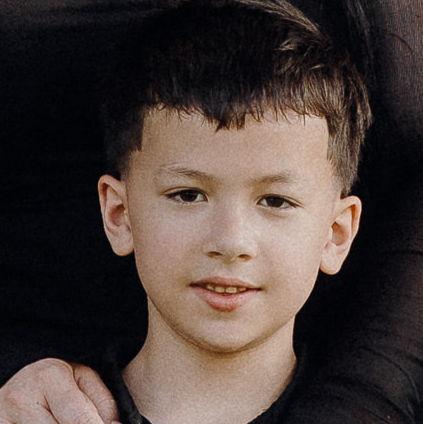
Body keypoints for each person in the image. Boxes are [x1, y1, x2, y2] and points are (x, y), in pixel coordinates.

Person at [1, 0, 422, 423]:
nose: (231, 242)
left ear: (336, 233)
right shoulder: (35, 411)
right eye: (188, 195)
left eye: (275, 201)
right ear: (119, 214)